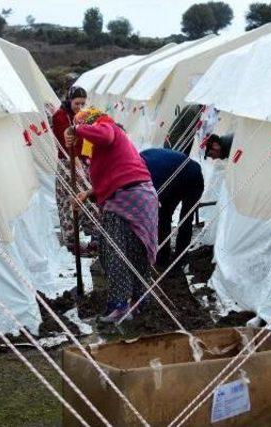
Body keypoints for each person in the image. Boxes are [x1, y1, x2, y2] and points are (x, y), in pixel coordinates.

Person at [65, 107, 158, 323]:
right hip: (140, 197)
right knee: (135, 251)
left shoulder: (107, 126)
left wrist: (76, 128)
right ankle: (139, 302)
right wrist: (88, 194)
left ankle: (120, 306)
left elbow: (104, 135)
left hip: (126, 199)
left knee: (112, 251)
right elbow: (116, 176)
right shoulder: (113, 149)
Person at [140, 148, 204, 270]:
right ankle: (163, 256)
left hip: (193, 178)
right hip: (174, 179)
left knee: (185, 219)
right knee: (164, 216)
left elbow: (151, 203)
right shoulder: (140, 160)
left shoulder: (152, 171)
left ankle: (180, 259)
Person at [51, 86, 97, 255]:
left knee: (88, 198)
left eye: (83, 103)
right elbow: (66, 144)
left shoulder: (82, 116)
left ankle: (95, 236)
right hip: (68, 163)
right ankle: (72, 241)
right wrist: (78, 165)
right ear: (69, 100)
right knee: (70, 201)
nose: (80, 106)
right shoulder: (60, 116)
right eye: (77, 103)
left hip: (82, 161)